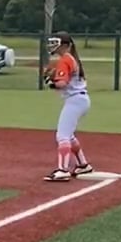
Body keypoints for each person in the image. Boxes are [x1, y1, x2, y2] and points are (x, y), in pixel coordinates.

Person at [44, 33, 94, 182]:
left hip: (75, 100)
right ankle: (83, 165)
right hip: (80, 99)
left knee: (62, 136)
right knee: (69, 135)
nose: (53, 46)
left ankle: (63, 170)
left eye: (56, 43)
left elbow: (62, 83)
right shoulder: (71, 58)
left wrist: (50, 82)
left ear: (66, 45)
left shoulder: (65, 59)